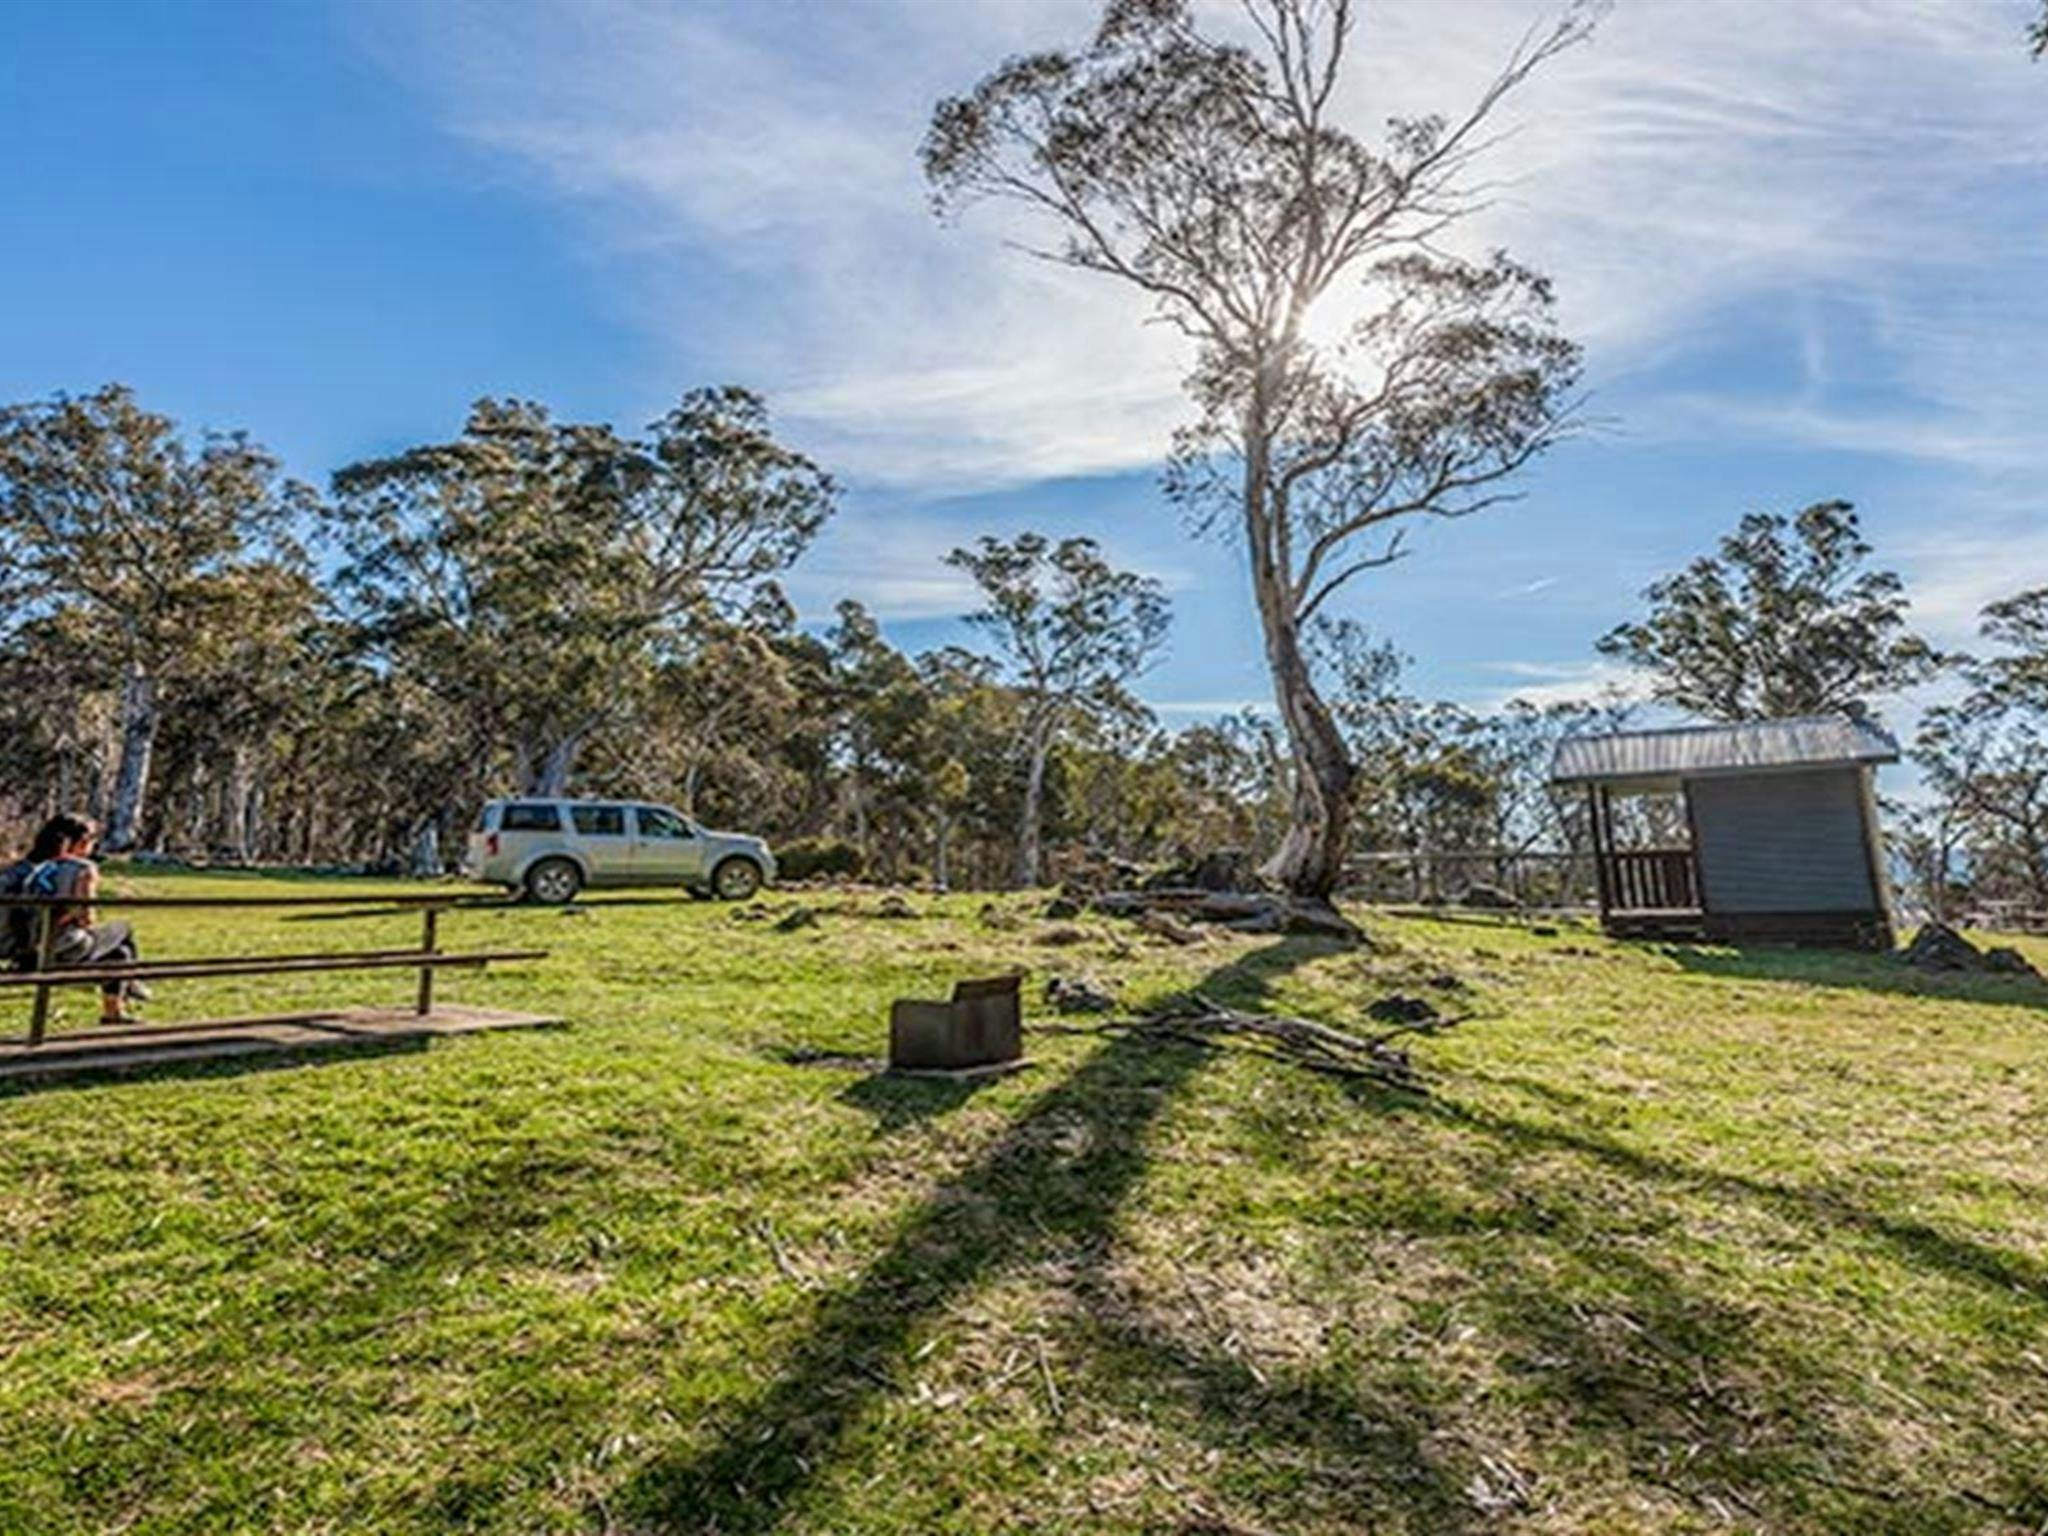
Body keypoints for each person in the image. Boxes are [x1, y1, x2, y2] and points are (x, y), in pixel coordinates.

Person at [17, 814, 148, 1024]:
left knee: (120, 954)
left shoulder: (20, 868)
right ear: (82, 842)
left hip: (21, 953)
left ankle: (114, 1013)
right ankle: (133, 983)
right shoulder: (82, 869)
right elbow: (87, 918)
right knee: (123, 929)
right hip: (62, 948)